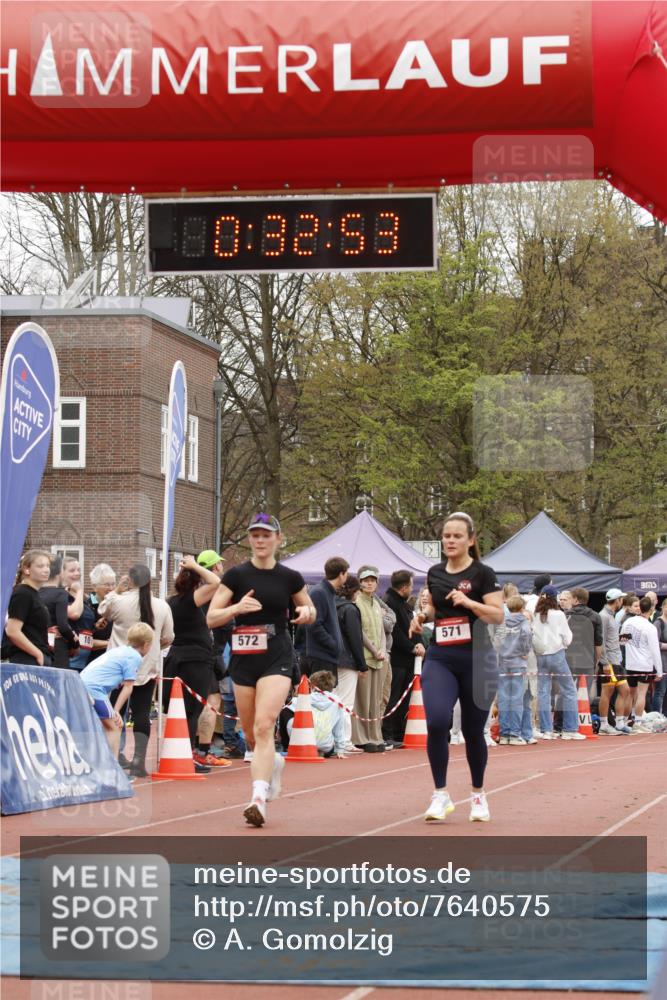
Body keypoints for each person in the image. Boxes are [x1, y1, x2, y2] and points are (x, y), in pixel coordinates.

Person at [206, 513, 315, 827]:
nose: (260, 540)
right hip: (243, 657)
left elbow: (309, 608)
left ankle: (257, 799)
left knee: (266, 725)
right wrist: (237, 609)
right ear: (250, 540)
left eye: (266, 535)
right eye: (255, 535)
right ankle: (274, 764)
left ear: (278, 539)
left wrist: (307, 612)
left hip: (276, 655)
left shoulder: (290, 577)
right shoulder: (236, 577)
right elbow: (211, 618)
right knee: (252, 734)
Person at [410, 511, 503, 823]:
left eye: (457, 536)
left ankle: (478, 794)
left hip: (478, 659)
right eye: (446, 535)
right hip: (441, 656)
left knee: (472, 730)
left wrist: (469, 603)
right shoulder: (434, 572)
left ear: (471, 540)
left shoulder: (483, 574)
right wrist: (421, 617)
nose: (450, 540)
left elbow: (497, 615)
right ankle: (440, 794)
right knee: (436, 721)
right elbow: (435, 610)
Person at [99, 563, 174, 777]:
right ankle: (139, 760)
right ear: (150, 581)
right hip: (146, 666)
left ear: (129, 580)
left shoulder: (119, 602)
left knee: (114, 711)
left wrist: (117, 590)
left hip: (117, 666)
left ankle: (112, 757)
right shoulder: (161, 606)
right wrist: (155, 647)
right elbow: (169, 636)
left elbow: (102, 609)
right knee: (142, 713)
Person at [165, 555, 230, 770]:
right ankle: (189, 756)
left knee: (180, 708)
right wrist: (195, 566)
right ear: (196, 583)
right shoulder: (191, 599)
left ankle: (180, 751)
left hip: (177, 656)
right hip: (195, 659)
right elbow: (216, 582)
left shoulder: (171, 602)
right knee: (193, 710)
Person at [81, 623, 154, 758]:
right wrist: (116, 711)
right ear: (146, 645)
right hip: (94, 689)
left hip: (82, 684)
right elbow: (128, 687)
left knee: (102, 726)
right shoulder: (134, 657)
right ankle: (112, 769)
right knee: (115, 726)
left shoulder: (120, 650)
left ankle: (100, 761)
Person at [532, 585, 584, 740]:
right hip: (557, 654)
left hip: (540, 656)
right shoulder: (559, 615)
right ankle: (570, 729)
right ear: (555, 598)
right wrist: (565, 643)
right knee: (568, 691)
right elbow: (567, 637)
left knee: (543, 692)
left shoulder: (536, 614)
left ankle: (546, 729)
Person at [382, 570, 425, 748]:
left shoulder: (403, 604)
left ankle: (399, 733)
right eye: (412, 586)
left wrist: (420, 643)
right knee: (394, 697)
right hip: (398, 659)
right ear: (405, 587)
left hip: (408, 659)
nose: (413, 589)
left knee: (404, 699)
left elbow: (413, 627)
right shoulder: (390, 602)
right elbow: (396, 632)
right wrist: (411, 647)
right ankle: (388, 734)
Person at [350, 566, 388, 754]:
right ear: (360, 582)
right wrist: (374, 650)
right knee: (362, 700)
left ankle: (375, 735)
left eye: (372, 580)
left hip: (379, 658)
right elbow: (359, 631)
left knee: (375, 701)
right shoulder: (357, 601)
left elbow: (381, 629)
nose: (369, 583)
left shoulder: (376, 603)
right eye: (365, 580)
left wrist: (382, 649)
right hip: (365, 657)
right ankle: (361, 738)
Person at [296, 557, 348, 679]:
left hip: (326, 656)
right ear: (341, 574)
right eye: (346, 573)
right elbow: (313, 624)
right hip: (320, 657)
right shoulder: (319, 592)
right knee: (320, 697)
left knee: (325, 696)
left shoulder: (326, 592)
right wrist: (333, 644)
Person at [494, 594, 535, 745]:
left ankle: (505, 734)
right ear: (522, 607)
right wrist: (524, 652)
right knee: (517, 699)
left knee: (504, 699)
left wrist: (502, 654)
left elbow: (497, 641)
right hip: (518, 663)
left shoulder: (503, 622)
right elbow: (527, 636)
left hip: (503, 663)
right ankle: (515, 733)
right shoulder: (524, 622)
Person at [334, 574, 367, 754]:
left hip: (330, 658)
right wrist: (362, 665)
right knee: (346, 702)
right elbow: (356, 638)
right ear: (354, 591)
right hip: (347, 659)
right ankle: (344, 740)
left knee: (332, 699)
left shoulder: (329, 605)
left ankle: (332, 738)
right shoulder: (350, 609)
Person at [1, 550, 52, 666]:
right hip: (25, 659)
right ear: (26, 569)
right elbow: (12, 631)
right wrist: (38, 654)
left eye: (48, 566)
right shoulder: (22, 593)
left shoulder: (33, 594)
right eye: (40, 566)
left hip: (35, 657)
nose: (46, 569)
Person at [620, 596, 663, 731]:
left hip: (631, 664)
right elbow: (655, 651)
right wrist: (659, 671)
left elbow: (622, 641)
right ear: (651, 609)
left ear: (639, 607)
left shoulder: (629, 622)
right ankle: (638, 721)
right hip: (644, 664)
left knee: (630, 694)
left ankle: (627, 720)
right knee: (641, 694)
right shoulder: (649, 627)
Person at [285, 671, 348, 757]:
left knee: (286, 713)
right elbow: (339, 728)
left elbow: (285, 709)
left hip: (304, 743)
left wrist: (296, 696)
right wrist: (340, 749)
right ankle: (320, 749)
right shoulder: (337, 701)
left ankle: (286, 746)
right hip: (326, 746)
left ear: (312, 685)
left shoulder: (304, 698)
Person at [69, 563, 117, 671]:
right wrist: (111, 643)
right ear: (94, 586)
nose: (111, 588)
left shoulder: (116, 604)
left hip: (111, 661)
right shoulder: (87, 606)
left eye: (113, 584)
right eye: (107, 584)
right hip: (90, 663)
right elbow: (84, 639)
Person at [598, 588, 633, 735]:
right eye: (621, 599)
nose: (622, 602)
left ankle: (619, 723)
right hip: (609, 661)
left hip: (616, 659)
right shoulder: (604, 616)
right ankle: (604, 724)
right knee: (607, 691)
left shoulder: (610, 616)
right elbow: (601, 640)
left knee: (625, 690)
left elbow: (609, 639)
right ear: (617, 600)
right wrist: (604, 662)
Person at [39, 555, 79, 668]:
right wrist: (75, 643)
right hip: (58, 648)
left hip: (39, 645)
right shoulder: (60, 593)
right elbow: (63, 625)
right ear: (60, 571)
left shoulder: (36, 592)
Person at [651, 598, 667, 714]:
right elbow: (654, 643)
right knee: (660, 692)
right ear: (662, 607)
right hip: (661, 663)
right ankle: (656, 716)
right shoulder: (658, 623)